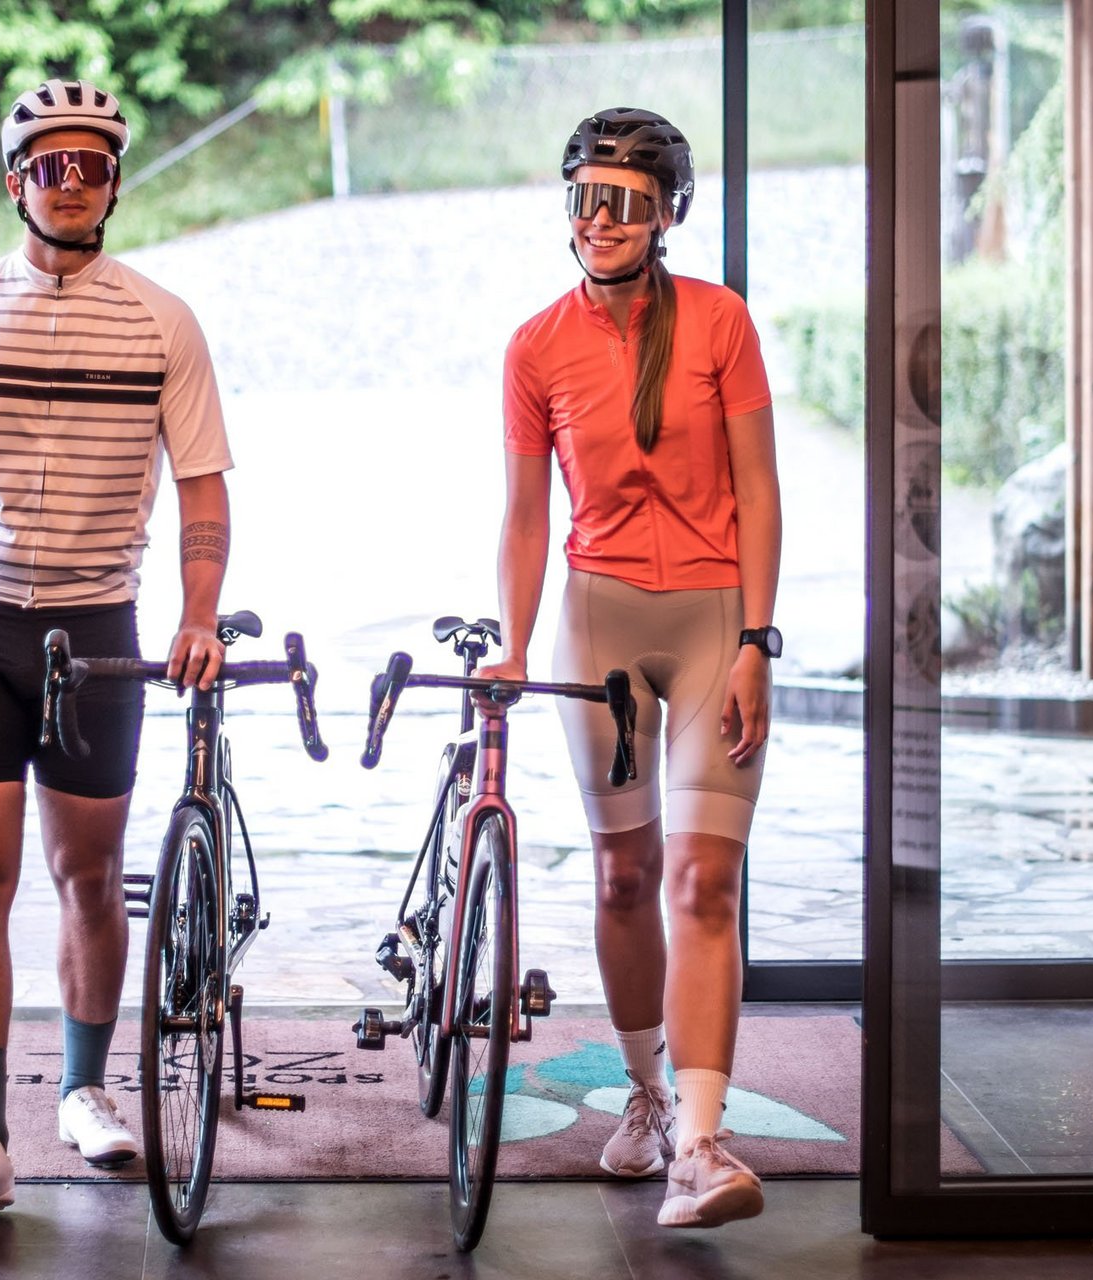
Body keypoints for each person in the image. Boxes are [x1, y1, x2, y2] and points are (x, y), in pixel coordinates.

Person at [0, 78, 235, 1213]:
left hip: (100, 629)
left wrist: (200, 611)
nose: (70, 182)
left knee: (88, 877)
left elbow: (204, 488)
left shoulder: (164, 319)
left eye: (91, 164)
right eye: (49, 164)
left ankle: (83, 1093)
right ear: (15, 180)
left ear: (115, 180)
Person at [477, 107, 783, 1229]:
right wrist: (509, 642)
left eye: (628, 203)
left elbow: (759, 487)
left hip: (713, 625)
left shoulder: (719, 322)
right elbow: (523, 520)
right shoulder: (535, 345)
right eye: (587, 198)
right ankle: (648, 1092)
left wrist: (757, 639)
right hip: (597, 620)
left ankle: (700, 1145)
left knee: (704, 880)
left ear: (666, 217)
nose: (603, 220)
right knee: (621, 876)